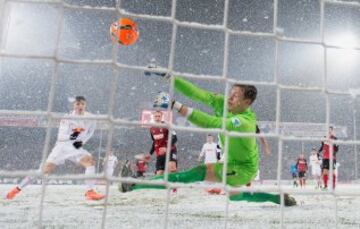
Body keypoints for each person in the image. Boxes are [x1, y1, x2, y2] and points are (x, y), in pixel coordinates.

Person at [120, 73, 296, 206]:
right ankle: (277, 199)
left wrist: (175, 106)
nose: (229, 98)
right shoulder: (224, 103)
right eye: (230, 93)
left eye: (235, 96)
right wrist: (170, 76)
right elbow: (198, 94)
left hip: (243, 169)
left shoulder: (244, 122)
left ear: (247, 102)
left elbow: (210, 123)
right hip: (232, 162)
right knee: (236, 197)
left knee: (192, 175)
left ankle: (133, 184)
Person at [6, 96, 105, 201]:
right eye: (77, 104)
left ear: (85, 105)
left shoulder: (90, 118)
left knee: (89, 161)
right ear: (74, 105)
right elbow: (63, 137)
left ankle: (90, 191)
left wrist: (81, 142)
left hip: (75, 146)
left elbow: (90, 133)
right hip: (62, 146)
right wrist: (76, 132)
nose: (80, 106)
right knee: (43, 171)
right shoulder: (67, 118)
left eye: (82, 104)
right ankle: (16, 190)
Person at [148, 110, 178, 175]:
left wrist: (166, 147)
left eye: (159, 116)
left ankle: (174, 184)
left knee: (171, 169)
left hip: (170, 151)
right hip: (160, 153)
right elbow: (155, 142)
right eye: (156, 116)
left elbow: (175, 138)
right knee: (159, 174)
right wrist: (150, 153)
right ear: (153, 117)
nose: (157, 118)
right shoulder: (152, 128)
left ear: (162, 117)